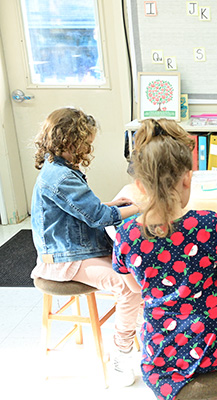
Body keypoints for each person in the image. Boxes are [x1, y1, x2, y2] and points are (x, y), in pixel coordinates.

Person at [112, 119, 217, 400]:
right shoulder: (207, 224)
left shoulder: (126, 235)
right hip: (215, 345)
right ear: (188, 178)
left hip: (159, 354)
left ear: (139, 185)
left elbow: (134, 287)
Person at [30, 107, 142, 387]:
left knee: (136, 273)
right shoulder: (61, 177)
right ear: (71, 141)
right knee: (129, 286)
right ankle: (122, 351)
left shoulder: (60, 168)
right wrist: (141, 207)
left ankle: (138, 326)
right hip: (63, 259)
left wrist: (111, 206)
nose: (89, 148)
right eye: (86, 142)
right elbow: (98, 218)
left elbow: (87, 210)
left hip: (76, 249)